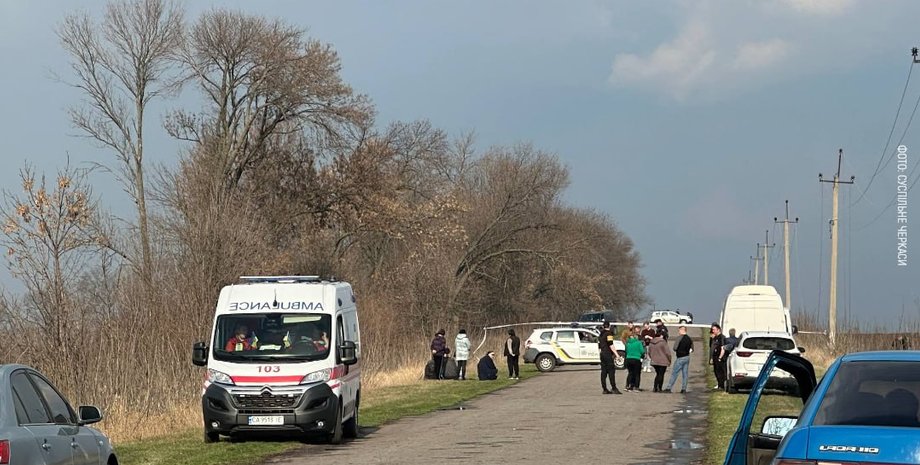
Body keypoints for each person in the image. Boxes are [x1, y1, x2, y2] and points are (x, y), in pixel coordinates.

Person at [665, 325, 693, 393]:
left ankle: (669, 387)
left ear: (682, 330)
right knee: (685, 374)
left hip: (680, 357)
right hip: (687, 357)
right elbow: (692, 348)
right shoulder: (689, 339)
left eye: (679, 330)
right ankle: (684, 388)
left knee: (674, 373)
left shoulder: (679, 338)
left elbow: (675, 348)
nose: (678, 332)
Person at [597, 321, 622, 394]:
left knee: (603, 372)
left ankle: (604, 389)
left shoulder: (601, 334)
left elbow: (599, 344)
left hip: (602, 354)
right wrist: (617, 355)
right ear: (609, 326)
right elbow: (611, 345)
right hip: (607, 354)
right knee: (611, 371)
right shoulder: (609, 334)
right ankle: (614, 388)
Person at [710, 323, 727, 390]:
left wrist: (720, 357)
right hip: (715, 357)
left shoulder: (722, 337)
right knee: (716, 371)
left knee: (721, 371)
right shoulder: (715, 337)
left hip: (720, 358)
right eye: (712, 330)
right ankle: (719, 384)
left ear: (718, 330)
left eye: (714, 329)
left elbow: (723, 348)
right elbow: (711, 346)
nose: (713, 331)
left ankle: (722, 385)